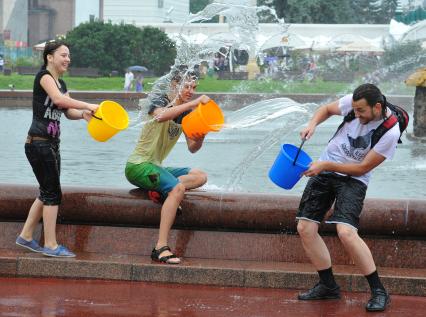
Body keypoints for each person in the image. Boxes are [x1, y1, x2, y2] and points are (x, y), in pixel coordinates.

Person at [296, 84, 399, 312]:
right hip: (326, 167)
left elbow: (362, 168)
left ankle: (379, 291)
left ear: (377, 107)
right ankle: (328, 285)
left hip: (354, 178)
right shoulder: (354, 102)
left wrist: (325, 165)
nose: (356, 114)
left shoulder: (391, 131)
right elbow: (326, 109)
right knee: (305, 227)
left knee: (346, 232)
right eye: (355, 109)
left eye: (361, 111)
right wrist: (312, 124)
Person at [15, 40, 99, 257]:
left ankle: (25, 236)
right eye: (63, 55)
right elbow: (58, 99)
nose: (67, 59)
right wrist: (89, 105)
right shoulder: (44, 77)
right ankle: (51, 245)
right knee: (52, 193)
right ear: (49, 57)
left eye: (69, 56)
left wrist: (83, 115)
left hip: (51, 144)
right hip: (38, 142)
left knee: (46, 192)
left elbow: (67, 110)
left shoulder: (62, 83)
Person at [125, 70, 209, 265]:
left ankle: (162, 192)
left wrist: (202, 136)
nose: (190, 91)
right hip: (139, 165)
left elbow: (192, 148)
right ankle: (160, 247)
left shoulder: (186, 114)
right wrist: (193, 104)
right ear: (174, 85)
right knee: (177, 188)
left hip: (155, 167)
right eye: (186, 86)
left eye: (193, 88)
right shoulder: (159, 100)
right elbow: (161, 116)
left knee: (200, 176)